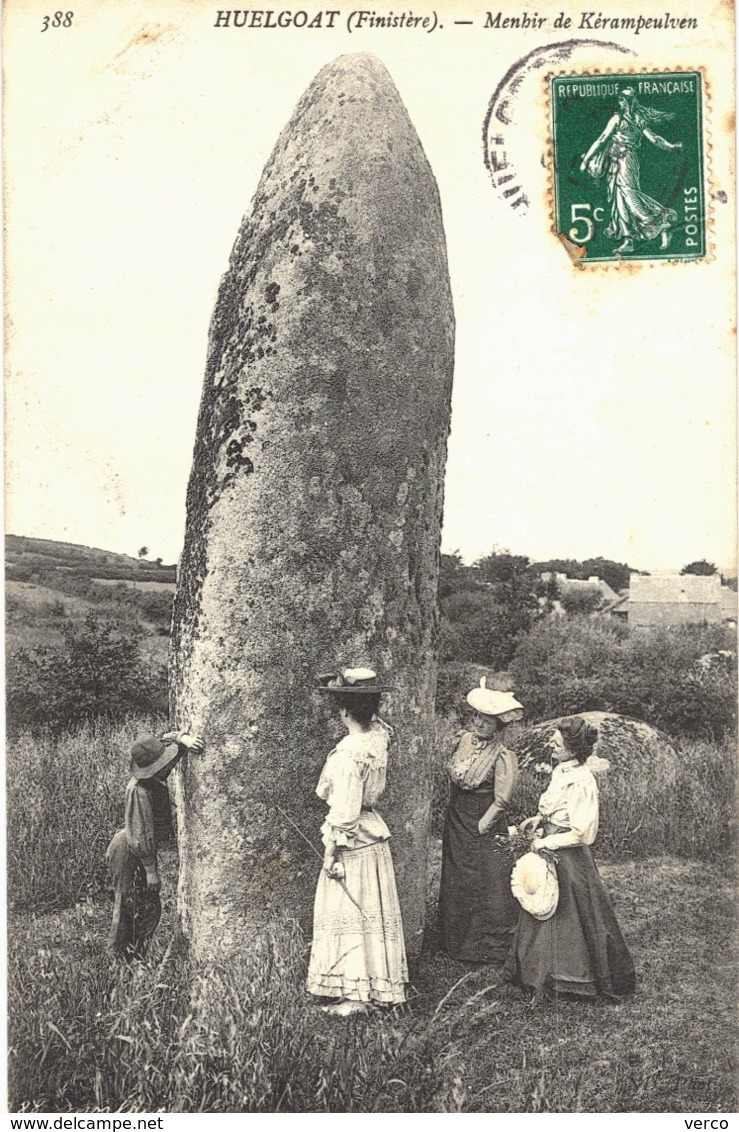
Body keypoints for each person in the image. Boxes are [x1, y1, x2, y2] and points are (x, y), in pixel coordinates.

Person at [504, 716, 636, 1000]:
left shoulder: (582, 781)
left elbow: (583, 834)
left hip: (569, 857)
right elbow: (555, 809)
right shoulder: (562, 771)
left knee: (567, 913)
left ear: (574, 749)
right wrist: (538, 819)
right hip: (548, 847)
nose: (551, 743)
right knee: (542, 903)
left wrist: (546, 841)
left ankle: (570, 979)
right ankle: (536, 972)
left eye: (557, 742)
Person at [306, 667, 408, 1016]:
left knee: (349, 910)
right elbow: (381, 726)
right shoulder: (377, 740)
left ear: (344, 711)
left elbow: (345, 813)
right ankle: (373, 984)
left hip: (354, 840)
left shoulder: (349, 756)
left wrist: (330, 853)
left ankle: (356, 996)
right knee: (371, 914)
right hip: (373, 835)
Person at [438, 679, 524, 964]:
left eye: (486, 721)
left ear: (498, 726)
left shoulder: (503, 756)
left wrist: (480, 827)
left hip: (482, 820)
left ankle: (483, 946)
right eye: (476, 717)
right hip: (457, 815)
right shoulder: (463, 741)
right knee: (457, 875)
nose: (479, 723)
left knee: (484, 879)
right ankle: (453, 939)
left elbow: (502, 800)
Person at [106, 729, 204, 958]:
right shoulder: (138, 790)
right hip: (130, 850)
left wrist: (184, 740)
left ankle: (135, 955)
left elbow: (169, 741)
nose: (167, 766)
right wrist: (151, 870)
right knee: (130, 906)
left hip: (135, 845)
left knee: (147, 906)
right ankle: (121, 960)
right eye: (162, 763)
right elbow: (140, 834)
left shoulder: (153, 776)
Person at [580, 87, 683, 254]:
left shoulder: (618, 118)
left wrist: (586, 160)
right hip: (618, 160)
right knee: (619, 198)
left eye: (622, 99)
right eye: (620, 99)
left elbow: (601, 139)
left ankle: (662, 225)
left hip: (624, 160)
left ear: (628, 101)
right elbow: (655, 139)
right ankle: (629, 240)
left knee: (629, 196)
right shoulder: (638, 118)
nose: (620, 102)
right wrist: (671, 147)